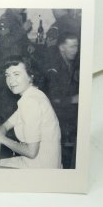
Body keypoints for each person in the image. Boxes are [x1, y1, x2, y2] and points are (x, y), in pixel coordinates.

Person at [0, 56, 62, 168]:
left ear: (31, 75)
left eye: (16, 74)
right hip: (45, 165)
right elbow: (5, 126)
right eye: (7, 75)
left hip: (39, 170)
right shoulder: (35, 94)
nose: (10, 81)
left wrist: (0, 139)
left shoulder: (30, 102)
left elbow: (31, 152)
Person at [44, 32, 79, 168]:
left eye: (76, 46)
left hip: (66, 112)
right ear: (61, 47)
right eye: (72, 47)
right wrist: (73, 99)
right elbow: (53, 99)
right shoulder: (54, 67)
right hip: (56, 116)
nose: (75, 50)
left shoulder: (70, 61)